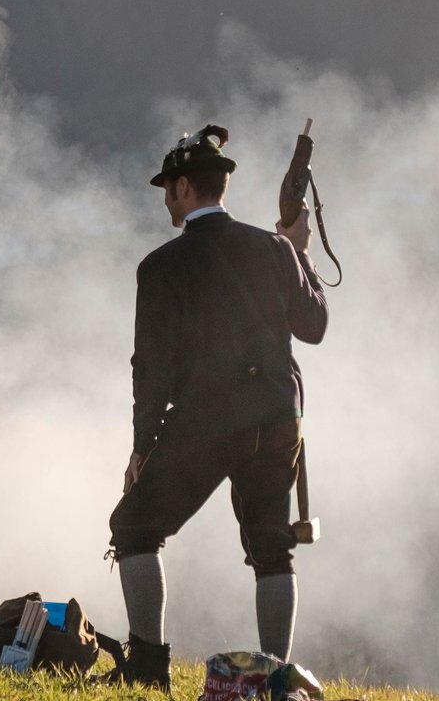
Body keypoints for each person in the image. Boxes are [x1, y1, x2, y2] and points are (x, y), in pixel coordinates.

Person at [105, 125, 329, 691]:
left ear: (184, 186)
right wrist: (299, 255)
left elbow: (150, 370)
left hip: (205, 420)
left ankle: (149, 670)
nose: (163, 199)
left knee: (133, 528)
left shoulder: (159, 267)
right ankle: (276, 679)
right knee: (272, 550)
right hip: (278, 418)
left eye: (167, 187)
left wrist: (141, 447)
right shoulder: (275, 249)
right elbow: (316, 326)